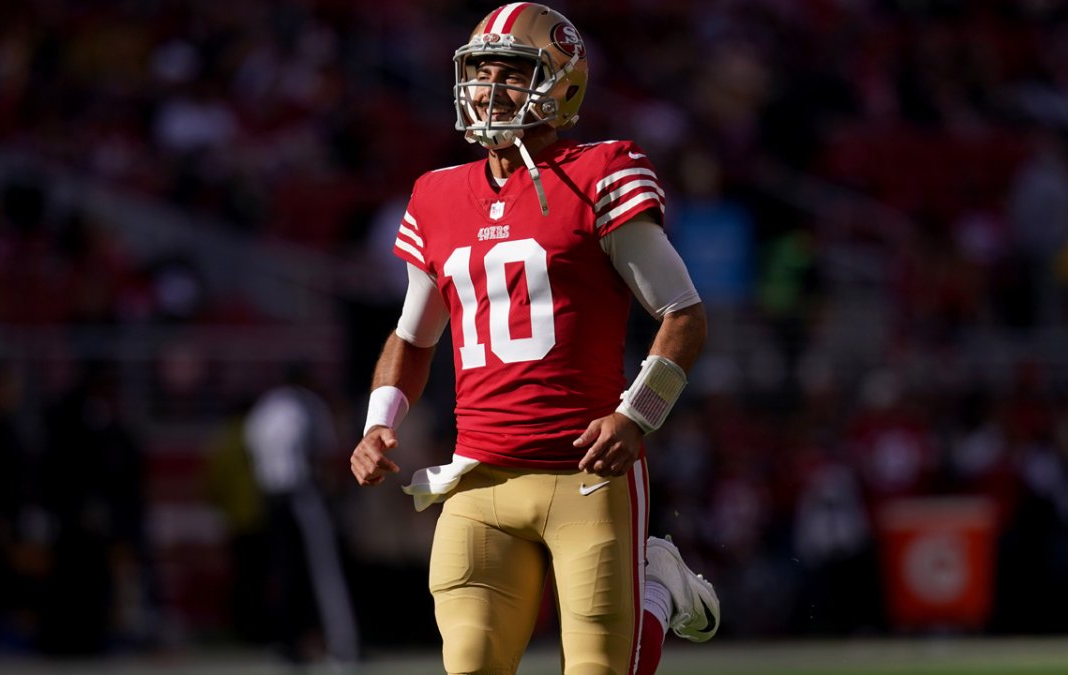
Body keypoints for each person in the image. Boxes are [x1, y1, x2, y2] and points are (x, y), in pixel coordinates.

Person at [349, 4, 719, 673]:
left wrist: (638, 415)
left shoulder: (600, 172)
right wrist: (379, 422)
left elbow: (684, 313)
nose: (489, 89)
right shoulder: (435, 194)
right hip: (478, 481)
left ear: (562, 83)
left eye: (511, 72)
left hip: (586, 476)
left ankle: (657, 588)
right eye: (479, 71)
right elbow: (412, 335)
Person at [245, 364, 360, 669]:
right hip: (303, 494)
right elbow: (320, 452)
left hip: (272, 497)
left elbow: (253, 452)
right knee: (324, 571)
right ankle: (341, 644)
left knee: (285, 571)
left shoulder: (265, 408)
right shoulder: (307, 405)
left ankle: (288, 644)